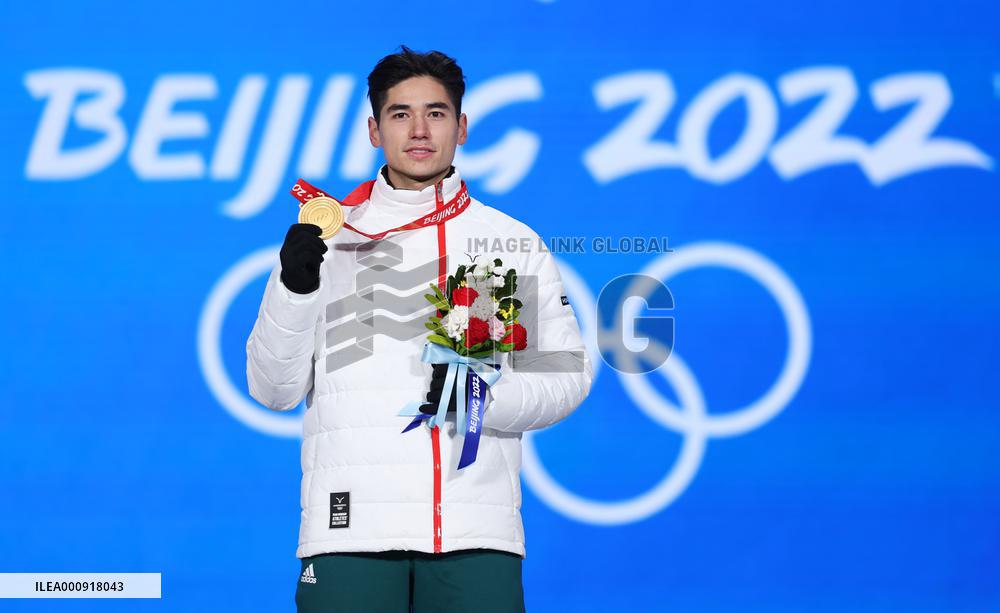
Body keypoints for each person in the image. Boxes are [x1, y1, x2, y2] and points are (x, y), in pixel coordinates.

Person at [246, 46, 593, 612]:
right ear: (373, 129)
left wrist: (477, 402)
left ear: (462, 127)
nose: (419, 130)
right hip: (349, 528)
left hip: (473, 534)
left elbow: (564, 375)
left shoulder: (509, 241)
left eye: (435, 113)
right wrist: (294, 287)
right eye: (400, 114)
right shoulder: (326, 238)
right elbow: (272, 390)